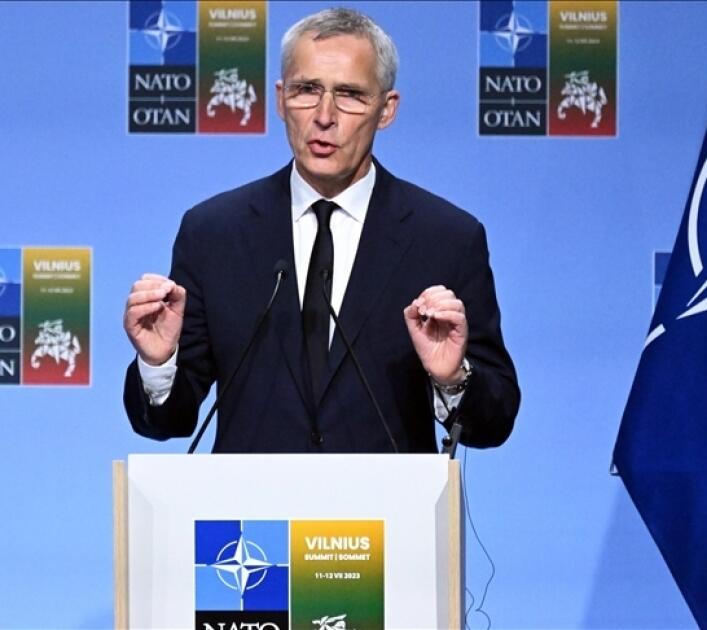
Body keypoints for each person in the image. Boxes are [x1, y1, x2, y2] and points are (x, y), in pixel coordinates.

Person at [122, 8, 519, 453]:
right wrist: (158, 362)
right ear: (280, 99)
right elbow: (168, 421)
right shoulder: (213, 233)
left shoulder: (446, 238)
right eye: (307, 90)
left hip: (385, 500)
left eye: (350, 94)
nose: (324, 116)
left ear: (387, 109)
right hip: (253, 500)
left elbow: (495, 420)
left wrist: (451, 378)